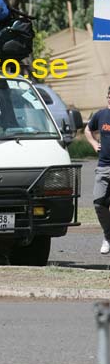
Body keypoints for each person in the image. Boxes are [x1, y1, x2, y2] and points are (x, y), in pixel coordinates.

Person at [85, 87, 110, 254]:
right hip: (104, 166)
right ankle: (108, 235)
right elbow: (88, 130)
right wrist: (94, 144)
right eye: (109, 95)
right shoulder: (101, 115)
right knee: (98, 202)